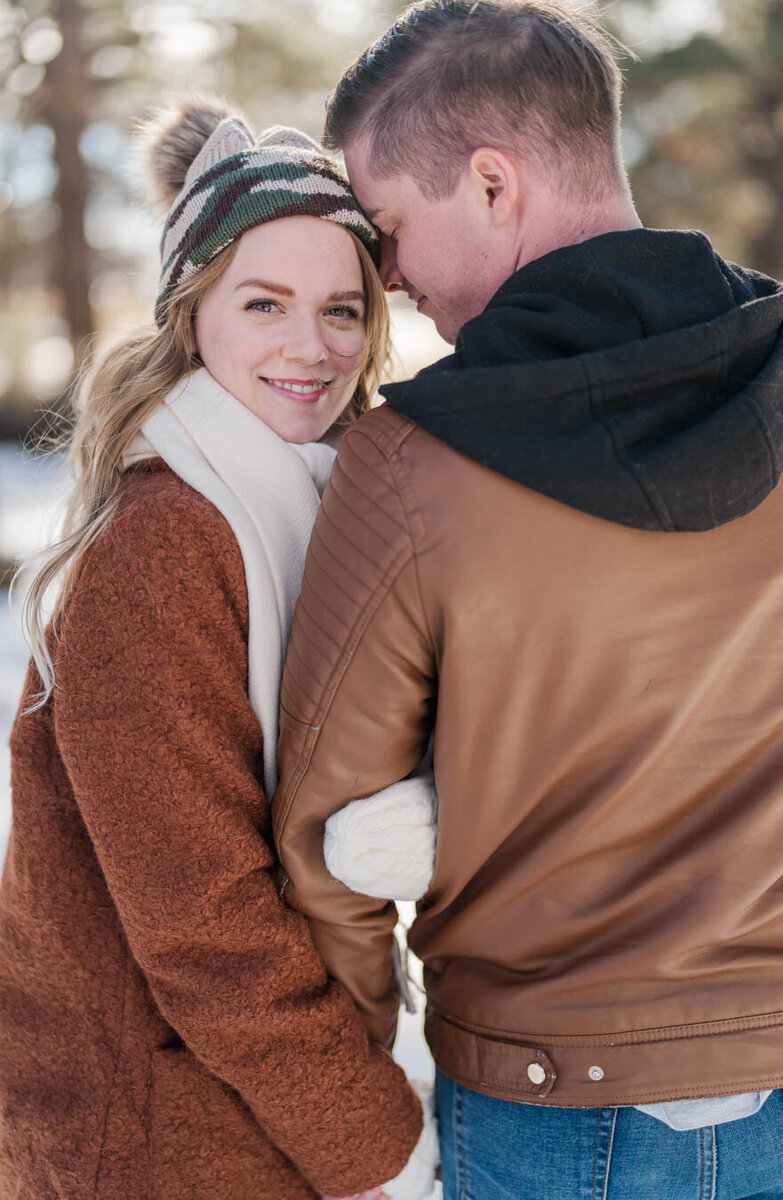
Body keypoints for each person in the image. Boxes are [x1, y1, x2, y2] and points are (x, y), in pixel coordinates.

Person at [272, 2, 783, 1197]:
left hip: (553, 1109)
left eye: (391, 226)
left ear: (494, 183)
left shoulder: (411, 465)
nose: (388, 274)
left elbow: (327, 846)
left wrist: (369, 1095)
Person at [0, 97, 438, 1200]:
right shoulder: (160, 549)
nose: (311, 346)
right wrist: (379, 1146)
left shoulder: (327, 512)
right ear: (192, 315)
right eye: (263, 303)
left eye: (343, 309)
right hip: (152, 1135)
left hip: (250, 1111)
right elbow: (204, 927)